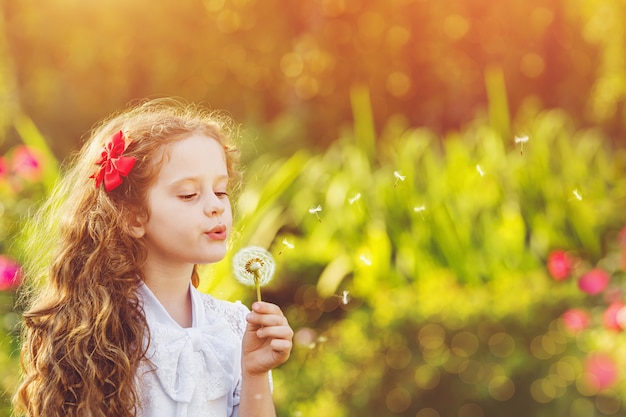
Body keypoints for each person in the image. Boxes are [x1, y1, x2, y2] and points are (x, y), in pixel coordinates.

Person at [14, 98, 293, 417]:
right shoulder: (94, 331)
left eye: (220, 191)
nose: (215, 206)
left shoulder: (233, 327)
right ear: (133, 217)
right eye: (189, 194)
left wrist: (254, 373)